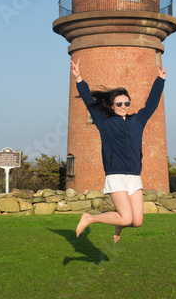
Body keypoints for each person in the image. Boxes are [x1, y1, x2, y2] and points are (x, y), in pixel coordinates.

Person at [70, 58, 166, 242]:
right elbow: (89, 101)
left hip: (134, 176)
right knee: (127, 217)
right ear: (112, 106)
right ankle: (89, 218)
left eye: (126, 104)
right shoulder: (104, 122)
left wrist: (160, 80)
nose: (123, 107)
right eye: (119, 104)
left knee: (137, 221)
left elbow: (152, 104)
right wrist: (79, 77)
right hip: (116, 175)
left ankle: (118, 223)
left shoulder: (137, 121)